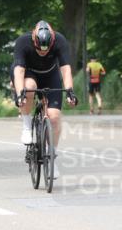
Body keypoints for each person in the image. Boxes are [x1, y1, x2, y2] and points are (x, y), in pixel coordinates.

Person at [12, 20, 77, 148]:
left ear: (52, 42)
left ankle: (52, 153)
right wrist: (20, 94)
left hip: (49, 74)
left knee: (54, 116)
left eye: (46, 51)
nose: (43, 52)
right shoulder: (23, 41)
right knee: (29, 87)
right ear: (34, 40)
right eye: (39, 50)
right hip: (28, 72)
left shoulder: (60, 40)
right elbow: (19, 70)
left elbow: (65, 68)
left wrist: (70, 91)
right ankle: (26, 125)